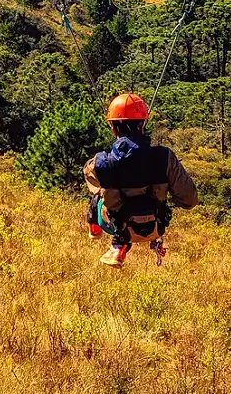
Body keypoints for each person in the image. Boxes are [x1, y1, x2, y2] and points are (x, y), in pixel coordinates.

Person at [84, 93, 198, 268]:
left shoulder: (99, 163)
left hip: (117, 226)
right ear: (142, 125)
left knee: (97, 197)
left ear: (113, 127)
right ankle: (121, 242)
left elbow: (92, 181)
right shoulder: (164, 157)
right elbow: (189, 200)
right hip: (154, 226)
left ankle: (110, 239)